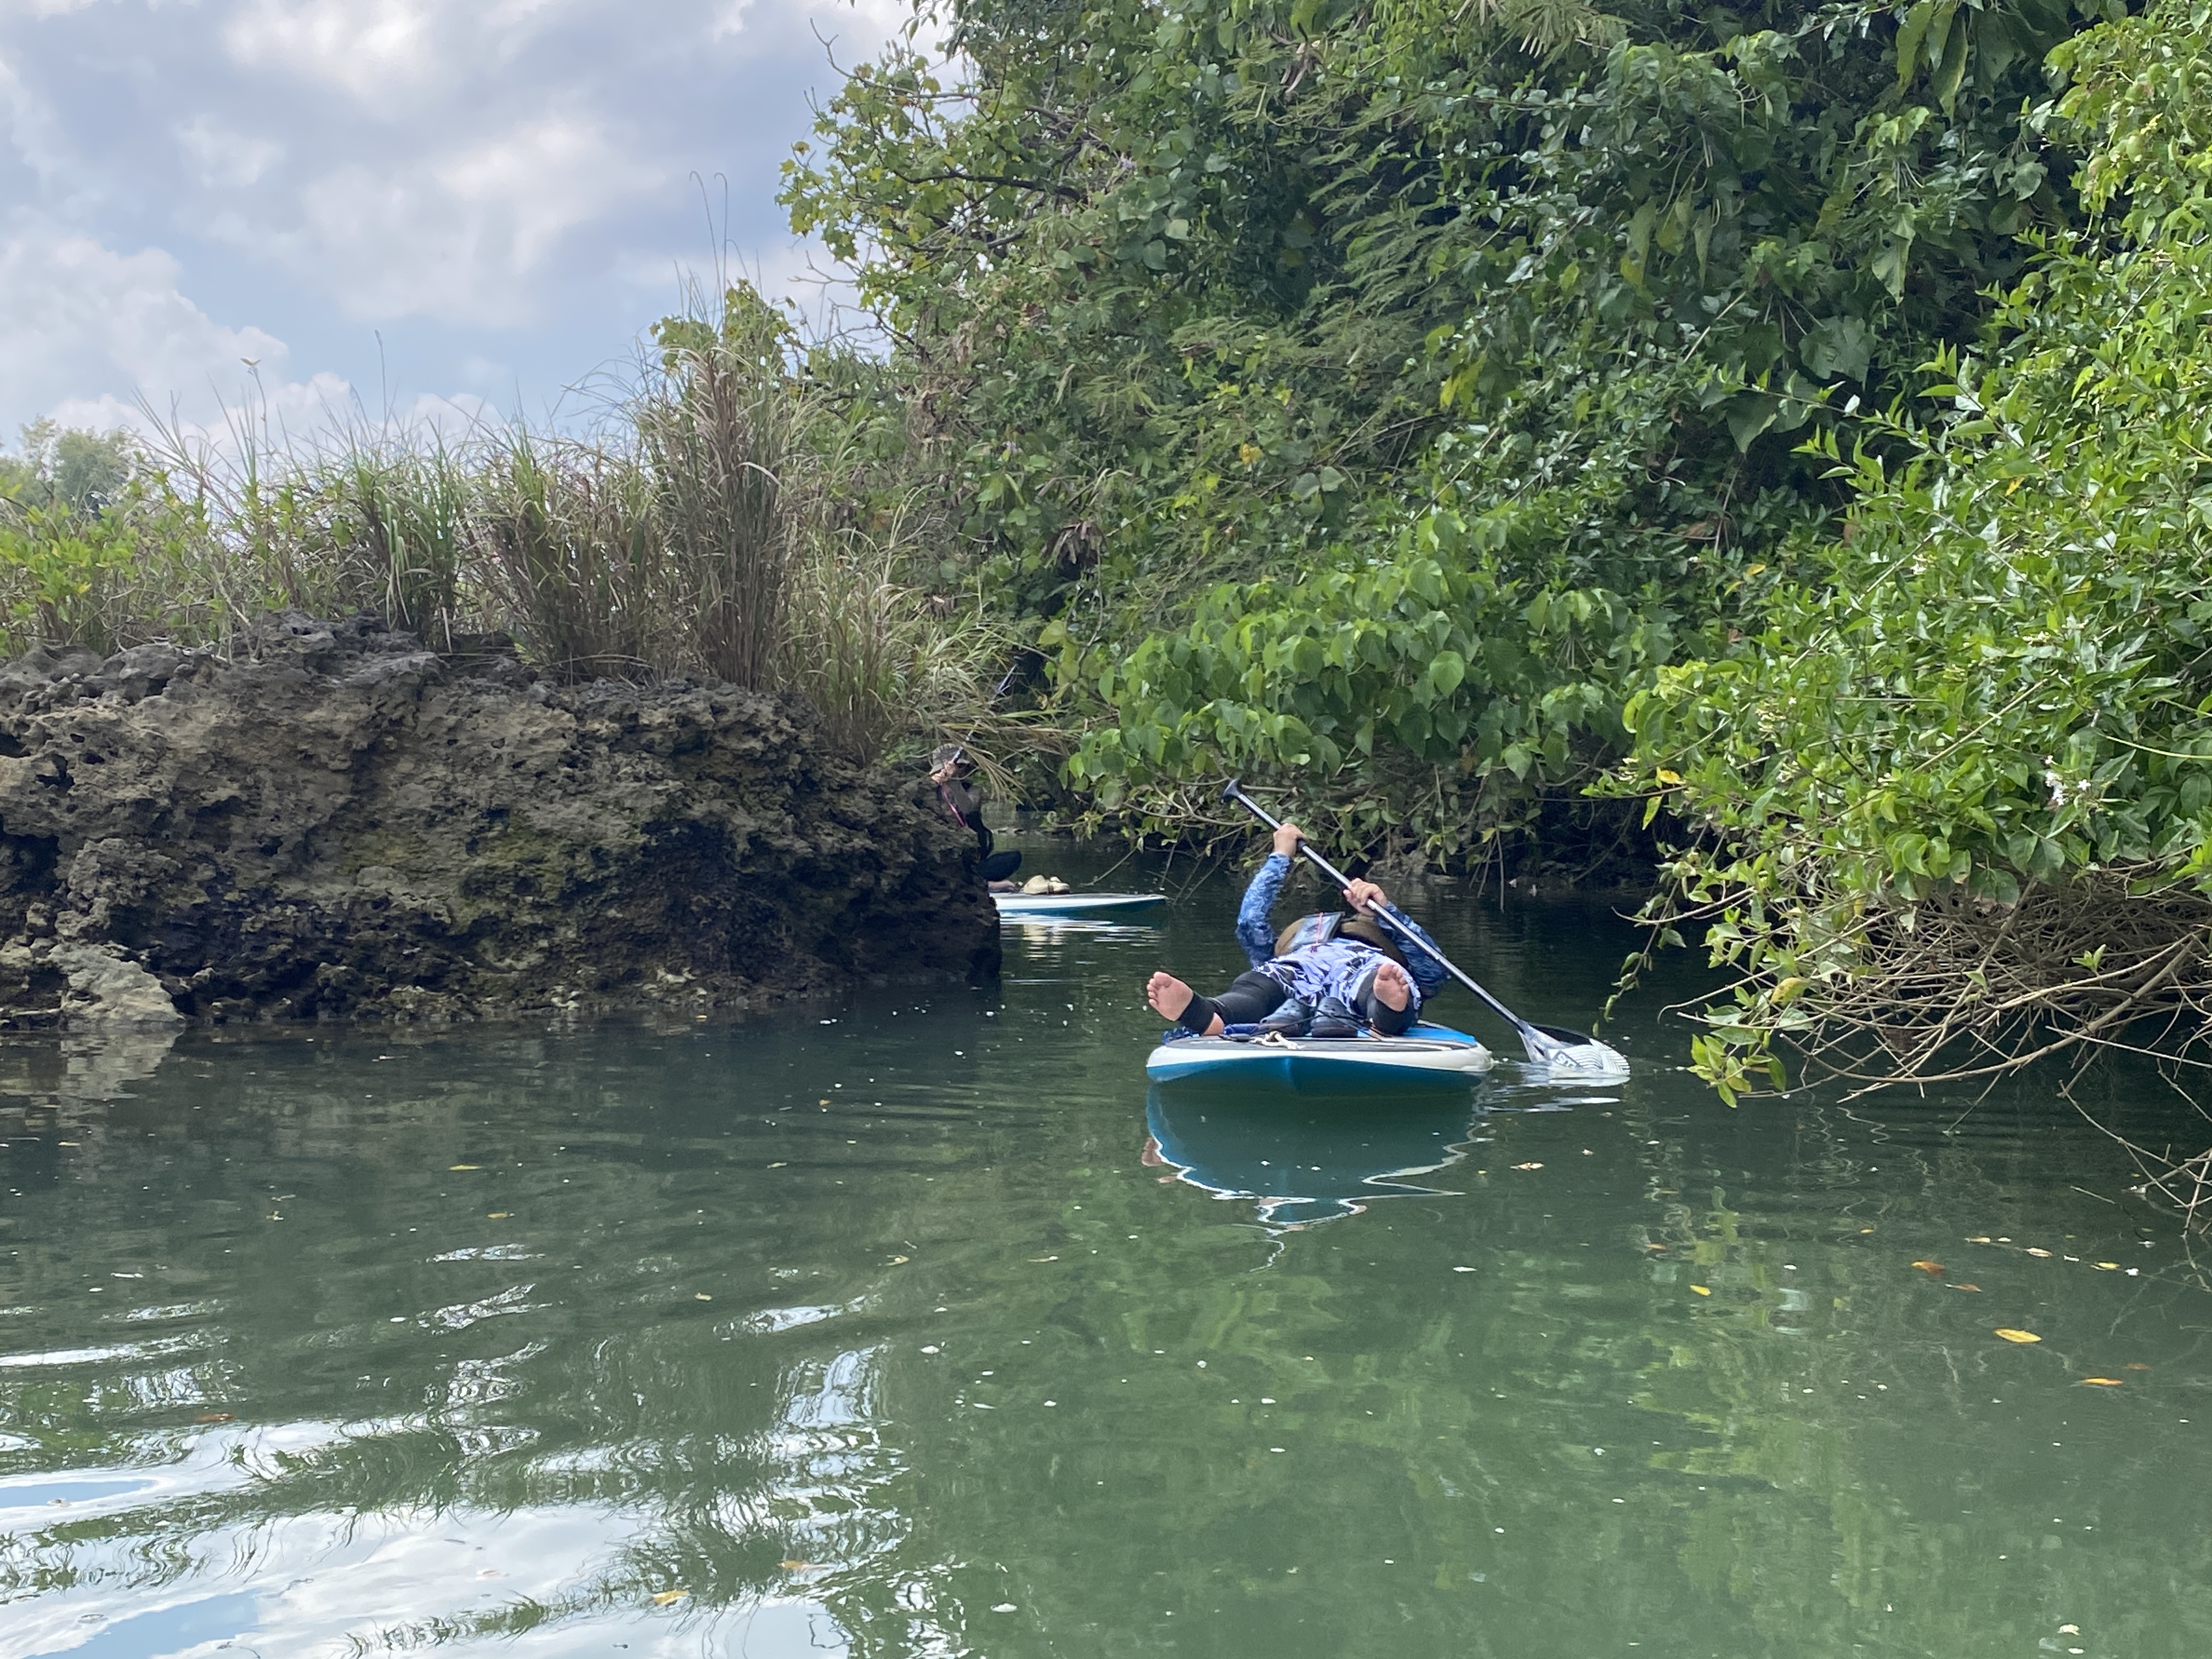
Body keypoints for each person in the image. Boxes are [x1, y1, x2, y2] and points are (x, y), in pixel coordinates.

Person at [1144, 820, 1449, 1037]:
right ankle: (1209, 1014)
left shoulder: (1383, 940)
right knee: (1256, 990)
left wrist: (1386, 911)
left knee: (1378, 986)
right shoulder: (1285, 951)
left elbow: (1434, 970)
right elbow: (1250, 923)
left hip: (1367, 967)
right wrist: (1279, 857)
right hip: (1298, 968)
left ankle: (1387, 1010)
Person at [929, 744, 1023, 890]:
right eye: (956, 767)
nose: (958, 771)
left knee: (1013, 858)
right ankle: (984, 884)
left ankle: (978, 881)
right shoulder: (929, 791)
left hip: (970, 860)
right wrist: (931, 785)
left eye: (961, 768)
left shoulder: (974, 791)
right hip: (941, 860)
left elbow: (968, 809)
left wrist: (954, 782)